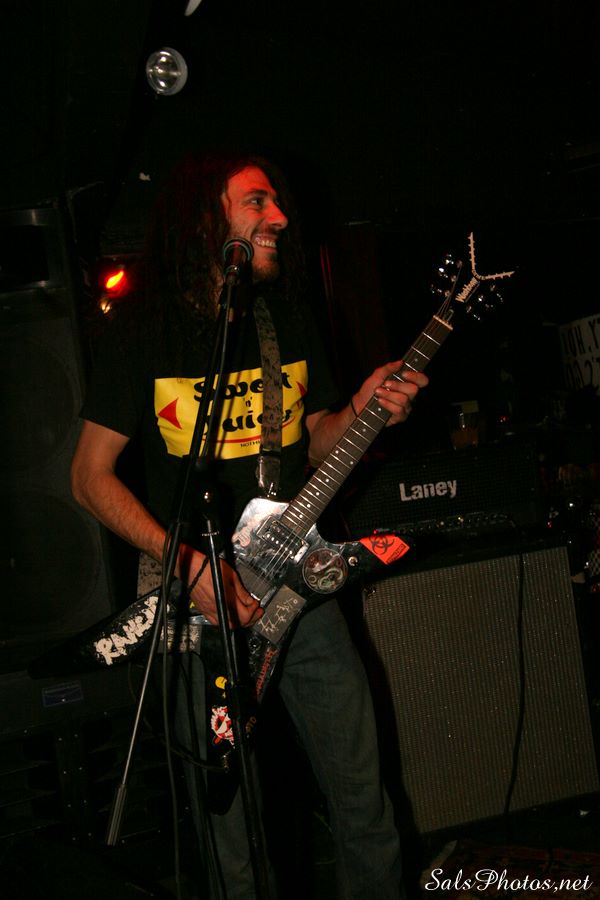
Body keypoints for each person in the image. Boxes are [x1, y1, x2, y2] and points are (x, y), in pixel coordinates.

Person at [70, 150, 428, 900]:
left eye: (277, 203)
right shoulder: (143, 329)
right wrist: (185, 563)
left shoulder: (284, 315)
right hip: (197, 606)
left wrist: (360, 409)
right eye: (257, 202)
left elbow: (316, 437)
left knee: (363, 798)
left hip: (299, 590)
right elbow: (88, 476)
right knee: (228, 829)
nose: (281, 218)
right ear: (206, 216)